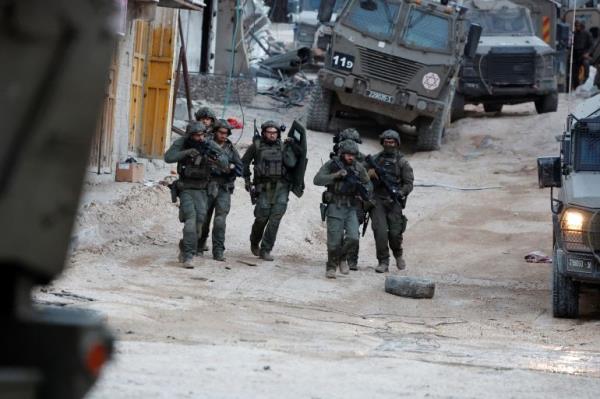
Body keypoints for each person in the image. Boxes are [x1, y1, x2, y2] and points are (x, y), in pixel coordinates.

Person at [164, 121, 229, 268]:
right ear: (189, 135)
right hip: (186, 188)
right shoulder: (183, 142)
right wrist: (186, 152)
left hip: (203, 191)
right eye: (196, 135)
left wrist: (215, 158)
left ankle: (185, 244)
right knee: (190, 222)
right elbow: (168, 157)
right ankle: (189, 255)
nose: (199, 138)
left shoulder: (209, 144)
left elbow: (225, 162)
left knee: (199, 225)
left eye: (201, 135)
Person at [314, 140, 372, 279]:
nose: (350, 157)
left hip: (351, 207)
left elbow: (368, 184)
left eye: (353, 155)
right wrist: (336, 175)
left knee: (353, 237)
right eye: (347, 154)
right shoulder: (332, 165)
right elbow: (317, 180)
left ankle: (342, 258)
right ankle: (331, 266)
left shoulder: (359, 168)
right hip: (335, 205)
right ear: (342, 154)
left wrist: (363, 192)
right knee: (334, 241)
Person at [241, 120, 298, 261]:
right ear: (264, 133)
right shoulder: (256, 146)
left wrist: (290, 147)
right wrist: (247, 180)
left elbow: (292, 164)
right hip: (264, 187)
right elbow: (244, 163)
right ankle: (254, 241)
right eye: (269, 132)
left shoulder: (283, 146)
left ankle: (266, 249)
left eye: (275, 133)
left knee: (275, 219)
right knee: (261, 218)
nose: (272, 135)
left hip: (281, 187)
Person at [367, 130, 414, 273]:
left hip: (394, 201)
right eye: (386, 142)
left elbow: (409, 183)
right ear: (382, 143)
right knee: (380, 232)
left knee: (395, 233)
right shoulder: (375, 160)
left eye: (392, 142)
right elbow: (362, 174)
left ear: (397, 144)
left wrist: (400, 192)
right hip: (378, 201)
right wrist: (369, 175)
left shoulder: (402, 162)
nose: (389, 145)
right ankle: (383, 261)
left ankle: (398, 254)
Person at [198, 119, 243, 261]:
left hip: (223, 188)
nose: (224, 135)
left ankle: (218, 251)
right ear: (215, 131)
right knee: (203, 218)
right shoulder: (206, 144)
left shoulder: (230, 149)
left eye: (226, 133)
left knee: (220, 221)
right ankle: (199, 245)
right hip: (207, 186)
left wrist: (230, 169)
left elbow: (240, 169)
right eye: (221, 132)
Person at [331, 128, 367, 271]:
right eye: (346, 141)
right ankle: (338, 258)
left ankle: (351, 259)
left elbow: (369, 180)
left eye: (352, 141)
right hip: (339, 197)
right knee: (338, 230)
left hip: (356, 198)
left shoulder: (362, 159)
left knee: (354, 231)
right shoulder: (336, 158)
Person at [572, 20, 593, 90]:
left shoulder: (587, 34)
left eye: (578, 25)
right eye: (576, 25)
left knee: (586, 64)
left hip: (584, 54)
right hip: (576, 55)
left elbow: (591, 45)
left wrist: (588, 53)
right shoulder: (574, 34)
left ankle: (586, 81)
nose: (577, 27)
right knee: (574, 71)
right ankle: (576, 87)